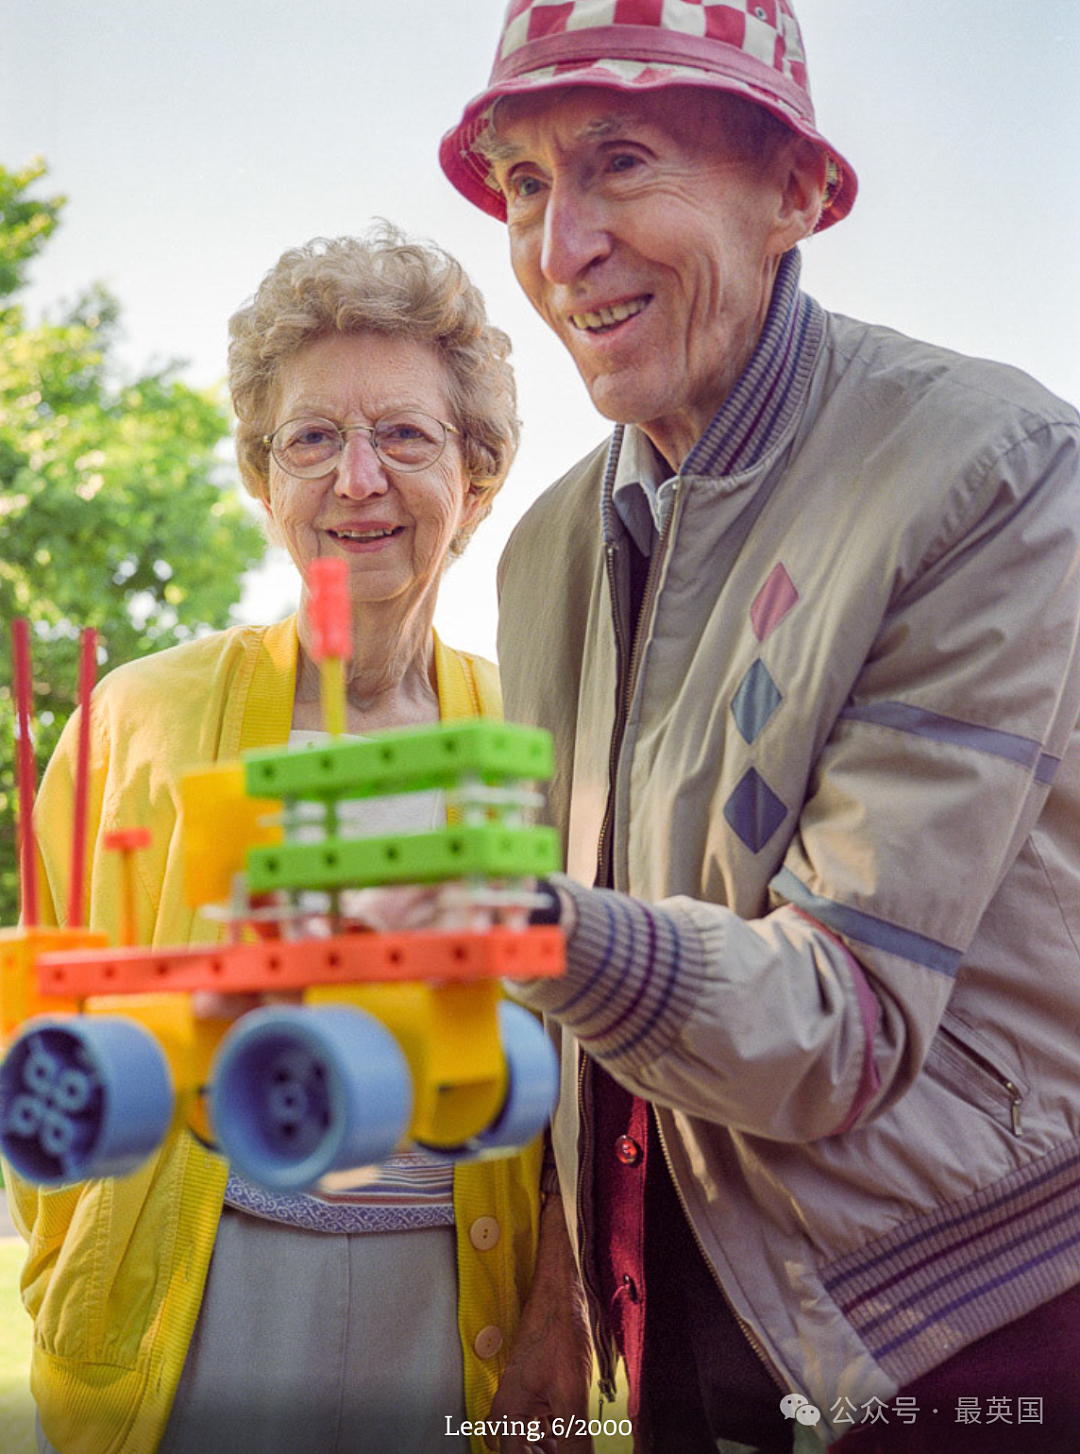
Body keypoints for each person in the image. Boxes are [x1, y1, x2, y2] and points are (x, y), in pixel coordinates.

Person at [438, 2, 1080, 1451]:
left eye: (622, 161)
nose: (560, 247)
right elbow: (585, 989)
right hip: (663, 1323)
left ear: (795, 193)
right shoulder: (542, 549)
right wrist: (554, 1281)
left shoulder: (991, 467)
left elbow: (837, 1020)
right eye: (528, 184)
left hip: (959, 1327)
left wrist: (514, 921)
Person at [5, 226, 540, 1454]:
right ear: (261, 474)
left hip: (451, 1312)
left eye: (405, 435)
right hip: (202, 1311)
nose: (358, 480)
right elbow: (46, 1032)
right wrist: (76, 1271)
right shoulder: (141, 716)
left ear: (479, 473)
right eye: (312, 439)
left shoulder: (532, 726)